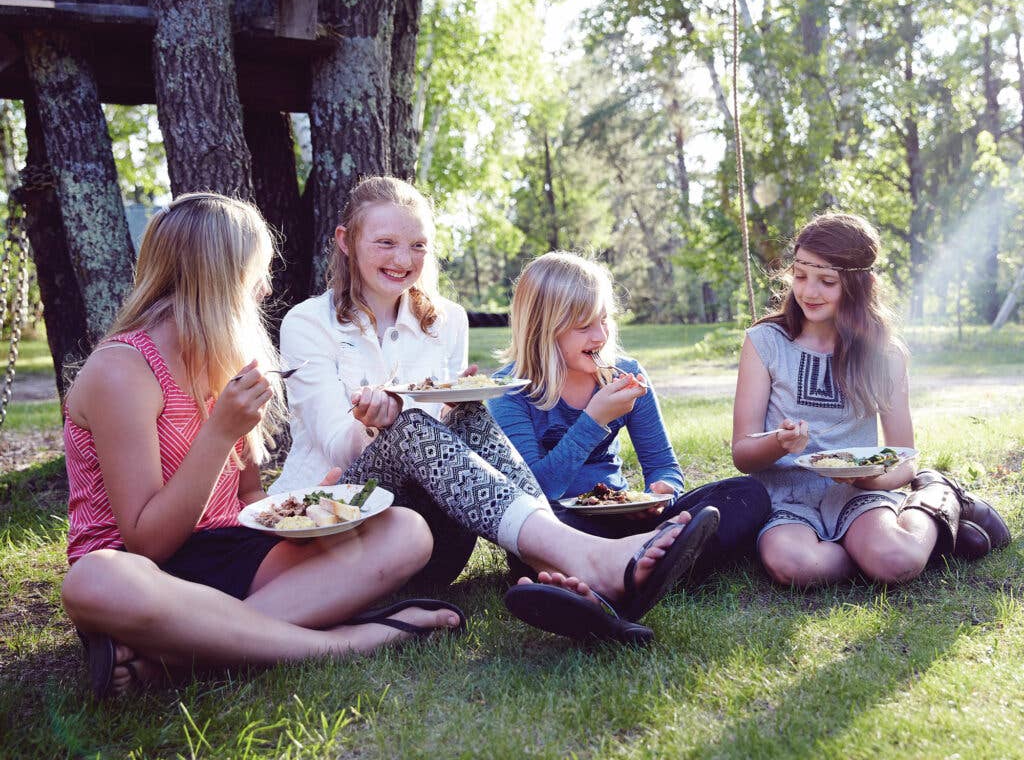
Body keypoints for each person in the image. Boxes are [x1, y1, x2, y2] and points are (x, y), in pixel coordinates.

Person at [272, 176, 719, 644]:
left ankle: (564, 566)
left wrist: (453, 405)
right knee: (407, 424)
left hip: (437, 541)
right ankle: (584, 561)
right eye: (385, 242)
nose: (403, 260)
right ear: (346, 242)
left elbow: (450, 442)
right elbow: (335, 444)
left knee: (467, 412)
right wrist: (376, 423)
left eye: (417, 245)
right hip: (340, 523)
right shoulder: (306, 324)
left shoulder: (447, 320)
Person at [60, 193, 467, 700]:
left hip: (225, 555)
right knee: (92, 581)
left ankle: (173, 658)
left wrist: (309, 514)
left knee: (405, 531)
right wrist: (219, 433)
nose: (266, 287)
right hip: (142, 573)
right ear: (219, 275)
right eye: (257, 272)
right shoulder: (123, 370)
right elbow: (148, 543)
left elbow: (247, 503)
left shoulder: (223, 357)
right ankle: (346, 642)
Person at [731, 212, 1010, 587]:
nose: (809, 291)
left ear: (862, 284)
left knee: (897, 561)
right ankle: (888, 550)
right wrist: (777, 444)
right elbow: (742, 453)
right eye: (799, 276)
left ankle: (937, 498)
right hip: (786, 500)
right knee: (794, 566)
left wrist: (868, 480)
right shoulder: (765, 342)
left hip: (854, 496)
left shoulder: (886, 354)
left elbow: (903, 460)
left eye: (827, 281)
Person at [487, 252, 770, 591]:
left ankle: (639, 562)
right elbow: (537, 492)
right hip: (561, 528)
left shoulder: (626, 374)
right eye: (583, 326)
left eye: (604, 320)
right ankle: (658, 563)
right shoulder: (510, 392)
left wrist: (662, 493)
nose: (600, 336)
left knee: (747, 493)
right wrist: (594, 420)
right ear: (541, 330)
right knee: (538, 533)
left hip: (624, 520)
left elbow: (663, 465)